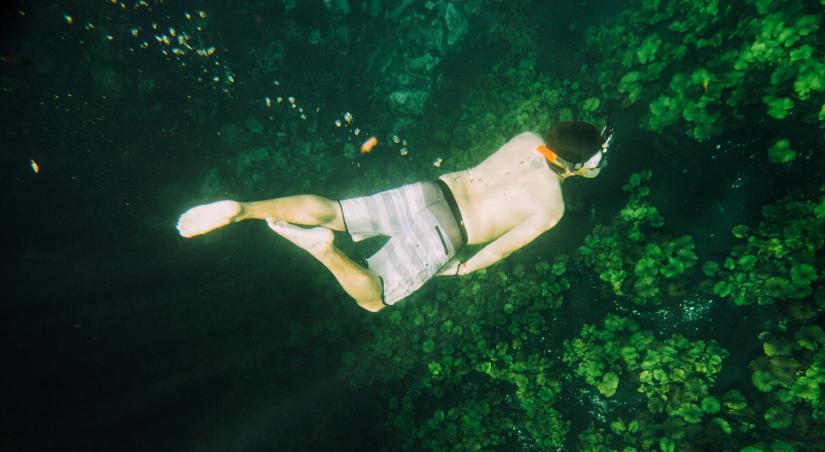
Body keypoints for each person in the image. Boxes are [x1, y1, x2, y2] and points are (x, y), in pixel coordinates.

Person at [176, 120, 612, 312]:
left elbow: (553, 156)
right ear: (575, 165)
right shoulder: (552, 207)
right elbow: (501, 250)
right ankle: (324, 251)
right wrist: (461, 270)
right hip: (447, 234)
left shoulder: (527, 138)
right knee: (374, 299)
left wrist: (581, 155)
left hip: (429, 192)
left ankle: (246, 209)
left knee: (335, 210)